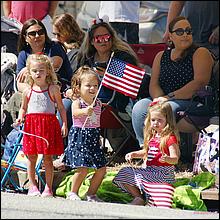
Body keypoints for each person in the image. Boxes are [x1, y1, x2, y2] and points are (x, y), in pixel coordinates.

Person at [131, 16, 214, 156]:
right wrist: (158, 100)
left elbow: (199, 83)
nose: (186, 34)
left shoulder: (200, 53)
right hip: (166, 100)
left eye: (188, 31)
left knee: (168, 109)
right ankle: (147, 150)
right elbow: (154, 84)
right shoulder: (161, 56)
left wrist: (167, 98)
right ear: (170, 36)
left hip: (194, 102)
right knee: (140, 106)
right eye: (180, 31)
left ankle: (169, 153)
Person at [14, 53, 68, 197]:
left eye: (41, 70)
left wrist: (64, 124)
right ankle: (32, 186)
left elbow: (61, 107)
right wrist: (20, 118)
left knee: (48, 158)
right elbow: (23, 108)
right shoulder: (28, 90)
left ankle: (48, 188)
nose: (38, 73)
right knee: (31, 157)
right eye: (35, 70)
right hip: (32, 126)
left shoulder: (53, 89)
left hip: (48, 126)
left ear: (48, 71)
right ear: (29, 72)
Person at [113, 101, 180, 206]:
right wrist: (134, 154)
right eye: (153, 120)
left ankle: (151, 191)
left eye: (160, 120)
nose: (155, 123)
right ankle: (139, 197)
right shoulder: (153, 136)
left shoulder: (169, 138)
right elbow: (146, 152)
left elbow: (175, 158)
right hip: (150, 171)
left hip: (163, 174)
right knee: (124, 172)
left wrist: (168, 159)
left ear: (168, 120)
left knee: (163, 202)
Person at [62, 66, 107, 202]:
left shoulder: (98, 103)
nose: (92, 88)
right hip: (80, 136)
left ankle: (91, 194)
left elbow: (97, 122)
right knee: (82, 169)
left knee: (101, 170)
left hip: (93, 136)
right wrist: (85, 111)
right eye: (88, 85)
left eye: (95, 85)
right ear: (78, 87)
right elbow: (75, 113)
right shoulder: (78, 102)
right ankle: (72, 192)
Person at [16, 18, 73, 94]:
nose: (37, 36)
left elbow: (55, 65)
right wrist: (33, 92)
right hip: (33, 93)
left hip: (62, 91)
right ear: (25, 37)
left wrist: (29, 68)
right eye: (32, 34)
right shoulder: (23, 54)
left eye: (40, 32)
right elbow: (20, 82)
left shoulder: (55, 47)